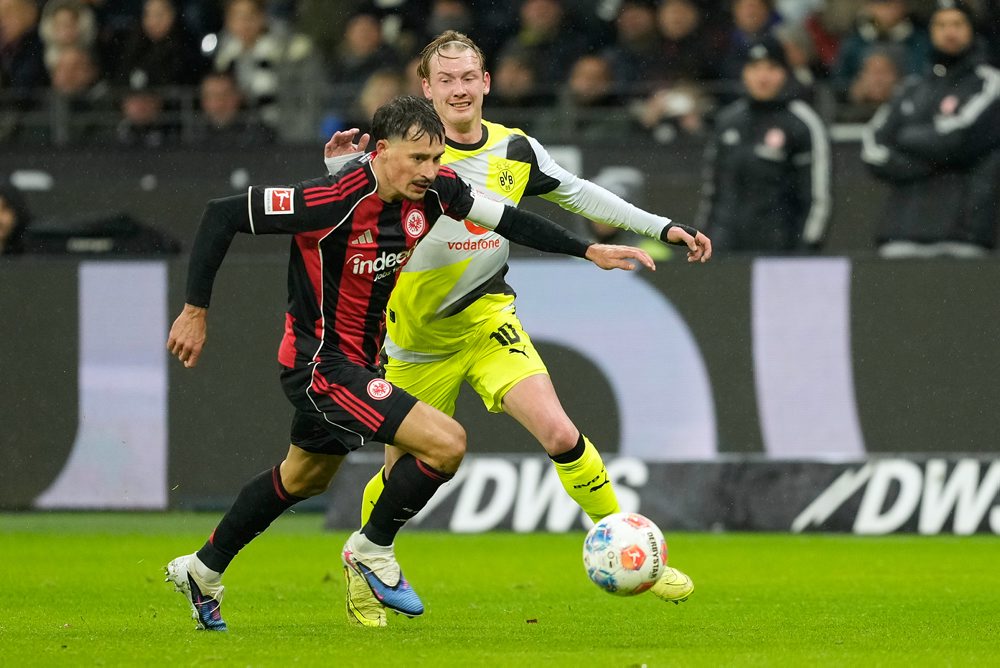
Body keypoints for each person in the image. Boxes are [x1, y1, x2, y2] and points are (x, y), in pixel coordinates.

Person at [163, 95, 657, 632]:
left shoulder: (439, 191)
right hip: (320, 364)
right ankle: (371, 549)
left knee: (302, 477)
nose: (430, 170)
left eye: (436, 158)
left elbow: (510, 221)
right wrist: (194, 312)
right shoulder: (329, 199)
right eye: (417, 158)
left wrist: (589, 251)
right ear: (380, 152)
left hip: (362, 362)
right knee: (447, 443)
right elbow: (221, 215)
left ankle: (203, 569)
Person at [324, 30, 711, 628]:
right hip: (412, 339)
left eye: (467, 78)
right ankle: (366, 559)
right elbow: (340, 209)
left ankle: (635, 549)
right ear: (425, 88)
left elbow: (579, 194)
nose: (457, 90)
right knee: (401, 477)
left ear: (486, 82)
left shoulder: (515, 150)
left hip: (486, 318)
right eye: (444, 80)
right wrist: (335, 170)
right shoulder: (402, 154)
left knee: (559, 430)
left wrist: (660, 228)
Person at [861, 0, 1000, 257]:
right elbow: (872, 149)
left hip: (962, 232)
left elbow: (959, 139)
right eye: (941, 25)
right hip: (902, 230)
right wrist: (941, 161)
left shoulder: (989, 83)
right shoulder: (911, 87)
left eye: (957, 24)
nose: (949, 32)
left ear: (972, 30)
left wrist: (904, 138)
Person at [696, 36, 831, 252]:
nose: (763, 76)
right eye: (755, 67)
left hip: (779, 246)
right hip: (725, 244)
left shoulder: (802, 123)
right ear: (744, 73)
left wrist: (807, 245)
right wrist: (702, 237)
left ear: (785, 73)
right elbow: (712, 191)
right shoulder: (728, 120)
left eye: (771, 68)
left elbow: (817, 196)